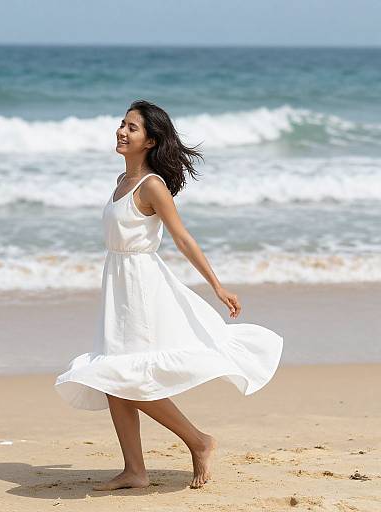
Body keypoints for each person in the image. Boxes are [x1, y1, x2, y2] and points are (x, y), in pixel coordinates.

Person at [55, 99, 284, 490]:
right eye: (122, 124)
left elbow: (182, 238)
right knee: (114, 377)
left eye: (132, 127)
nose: (122, 132)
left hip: (142, 289)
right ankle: (135, 470)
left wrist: (217, 286)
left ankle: (199, 441)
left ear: (150, 140)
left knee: (128, 377)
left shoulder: (152, 186)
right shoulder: (120, 182)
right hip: (118, 285)